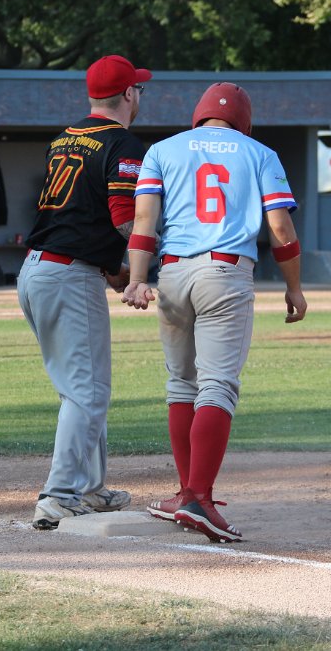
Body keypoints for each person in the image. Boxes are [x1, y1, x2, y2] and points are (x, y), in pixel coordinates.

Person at [122, 82, 307, 543]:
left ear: (199, 115)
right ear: (244, 119)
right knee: (217, 385)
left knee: (181, 384)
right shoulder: (260, 153)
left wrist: (137, 278)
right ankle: (198, 498)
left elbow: (144, 221)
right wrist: (294, 288)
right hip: (225, 272)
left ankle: (187, 492)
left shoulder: (162, 150)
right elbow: (280, 227)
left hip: (172, 272)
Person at [18, 55, 153, 529]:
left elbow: (78, 215)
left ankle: (89, 489)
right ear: (129, 94)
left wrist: (112, 268)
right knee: (87, 391)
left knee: (83, 390)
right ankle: (58, 496)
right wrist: (151, 259)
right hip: (68, 276)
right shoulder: (123, 142)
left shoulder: (64, 137)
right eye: (138, 89)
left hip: (41, 269)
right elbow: (123, 217)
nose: (140, 94)